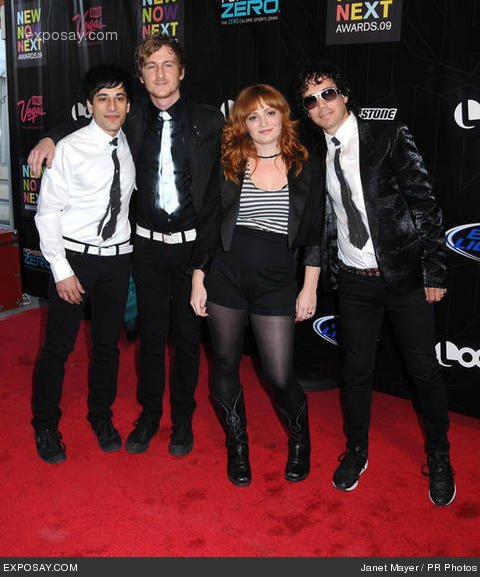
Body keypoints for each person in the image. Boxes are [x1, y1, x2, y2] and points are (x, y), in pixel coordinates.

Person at [28, 34, 224, 458]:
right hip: (128, 253)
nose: (160, 74)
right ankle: (138, 417)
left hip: (168, 253)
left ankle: (175, 421)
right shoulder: (124, 124)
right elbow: (87, 125)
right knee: (133, 341)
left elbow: (218, 196)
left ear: (182, 71)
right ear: (141, 77)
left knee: (170, 343)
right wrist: (50, 137)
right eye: (151, 66)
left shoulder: (207, 123)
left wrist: (204, 264)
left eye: (168, 64)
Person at [296, 62, 455, 505]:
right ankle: (356, 450)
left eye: (328, 93)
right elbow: (323, 222)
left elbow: (424, 203)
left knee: (424, 370)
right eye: (311, 100)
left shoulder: (388, 135)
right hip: (354, 281)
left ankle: (440, 455)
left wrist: (434, 269)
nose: (321, 105)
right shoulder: (316, 153)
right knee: (356, 372)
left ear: (345, 95)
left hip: (403, 277)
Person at [190, 84, 322, 486]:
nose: (262, 122)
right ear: (242, 123)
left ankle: (300, 441)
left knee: (279, 374)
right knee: (225, 363)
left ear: (283, 116)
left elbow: (316, 233)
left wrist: (309, 287)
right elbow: (209, 225)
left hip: (277, 282)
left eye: (269, 113)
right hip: (226, 276)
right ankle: (238, 445)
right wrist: (198, 278)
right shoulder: (230, 163)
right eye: (252, 116)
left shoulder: (304, 165)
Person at [32, 64, 136, 463]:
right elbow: (47, 213)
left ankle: (101, 416)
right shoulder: (68, 148)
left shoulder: (132, 141)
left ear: (129, 105)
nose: (112, 106)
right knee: (58, 348)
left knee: (107, 347)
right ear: (89, 105)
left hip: (118, 260)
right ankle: (45, 425)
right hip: (75, 259)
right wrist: (61, 270)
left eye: (120, 98)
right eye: (103, 98)